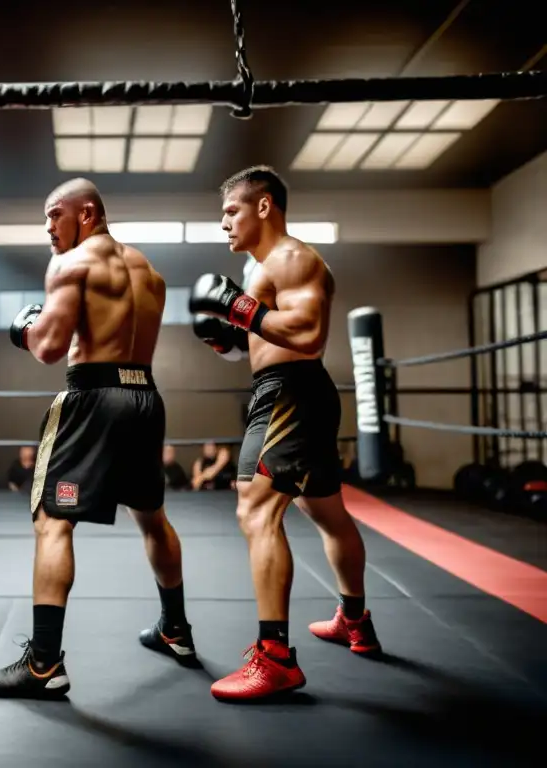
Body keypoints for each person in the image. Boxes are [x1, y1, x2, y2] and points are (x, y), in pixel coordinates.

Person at [0, 178, 194, 699]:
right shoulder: (151, 273)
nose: (49, 227)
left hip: (94, 398)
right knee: (152, 516)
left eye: (56, 214)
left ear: (89, 213)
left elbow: (50, 349)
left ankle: (44, 664)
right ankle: (175, 630)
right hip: (145, 398)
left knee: (52, 521)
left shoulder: (71, 264)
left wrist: (24, 328)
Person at [189, 165, 380, 702]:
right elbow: (264, 335)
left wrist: (237, 308)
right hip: (293, 390)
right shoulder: (264, 268)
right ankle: (355, 619)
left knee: (255, 509)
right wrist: (227, 338)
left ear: (264, 206)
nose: (224, 222)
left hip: (289, 394)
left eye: (231, 211)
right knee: (325, 511)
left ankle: (274, 659)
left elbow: (308, 331)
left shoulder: (291, 257)